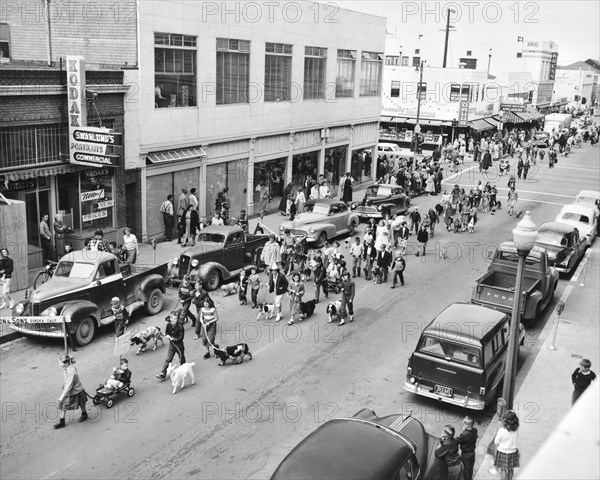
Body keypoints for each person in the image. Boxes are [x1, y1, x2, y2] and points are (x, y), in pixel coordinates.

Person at [54, 354, 88, 429]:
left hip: (76, 390)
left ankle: (84, 414)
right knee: (63, 405)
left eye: (60, 362)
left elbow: (69, 384)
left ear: (65, 363)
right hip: (70, 391)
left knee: (81, 403)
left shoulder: (71, 371)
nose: (59, 364)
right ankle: (62, 421)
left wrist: (62, 395)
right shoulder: (67, 369)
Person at [156, 311, 186, 380]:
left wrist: (173, 338)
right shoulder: (168, 325)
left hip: (179, 345)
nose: (176, 320)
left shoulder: (180, 326)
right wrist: (167, 335)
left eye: (177, 318)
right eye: (175, 319)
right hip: (172, 345)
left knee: (181, 358)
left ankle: (183, 371)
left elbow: (181, 337)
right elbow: (167, 331)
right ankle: (163, 373)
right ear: (171, 319)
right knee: (168, 359)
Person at [494, 410, 520, 480]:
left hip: (503, 452)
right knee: (511, 469)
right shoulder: (516, 430)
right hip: (513, 452)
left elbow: (496, 442)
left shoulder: (501, 431)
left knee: (503, 470)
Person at [457, 416, 478, 480]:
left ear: (466, 425)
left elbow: (458, 441)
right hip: (472, 452)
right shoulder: (475, 430)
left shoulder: (464, 434)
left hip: (466, 454)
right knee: (470, 467)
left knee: (466, 469)